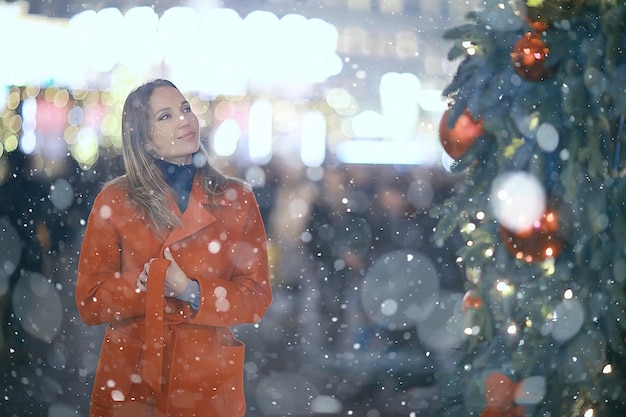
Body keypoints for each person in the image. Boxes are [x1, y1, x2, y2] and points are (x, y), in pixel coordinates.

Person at [75, 79, 272, 417]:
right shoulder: (115, 200)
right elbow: (90, 302)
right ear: (144, 139)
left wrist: (191, 292)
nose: (185, 120)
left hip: (206, 375)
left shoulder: (237, 199)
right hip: (132, 372)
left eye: (185, 109)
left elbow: (256, 298)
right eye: (165, 116)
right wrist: (150, 284)